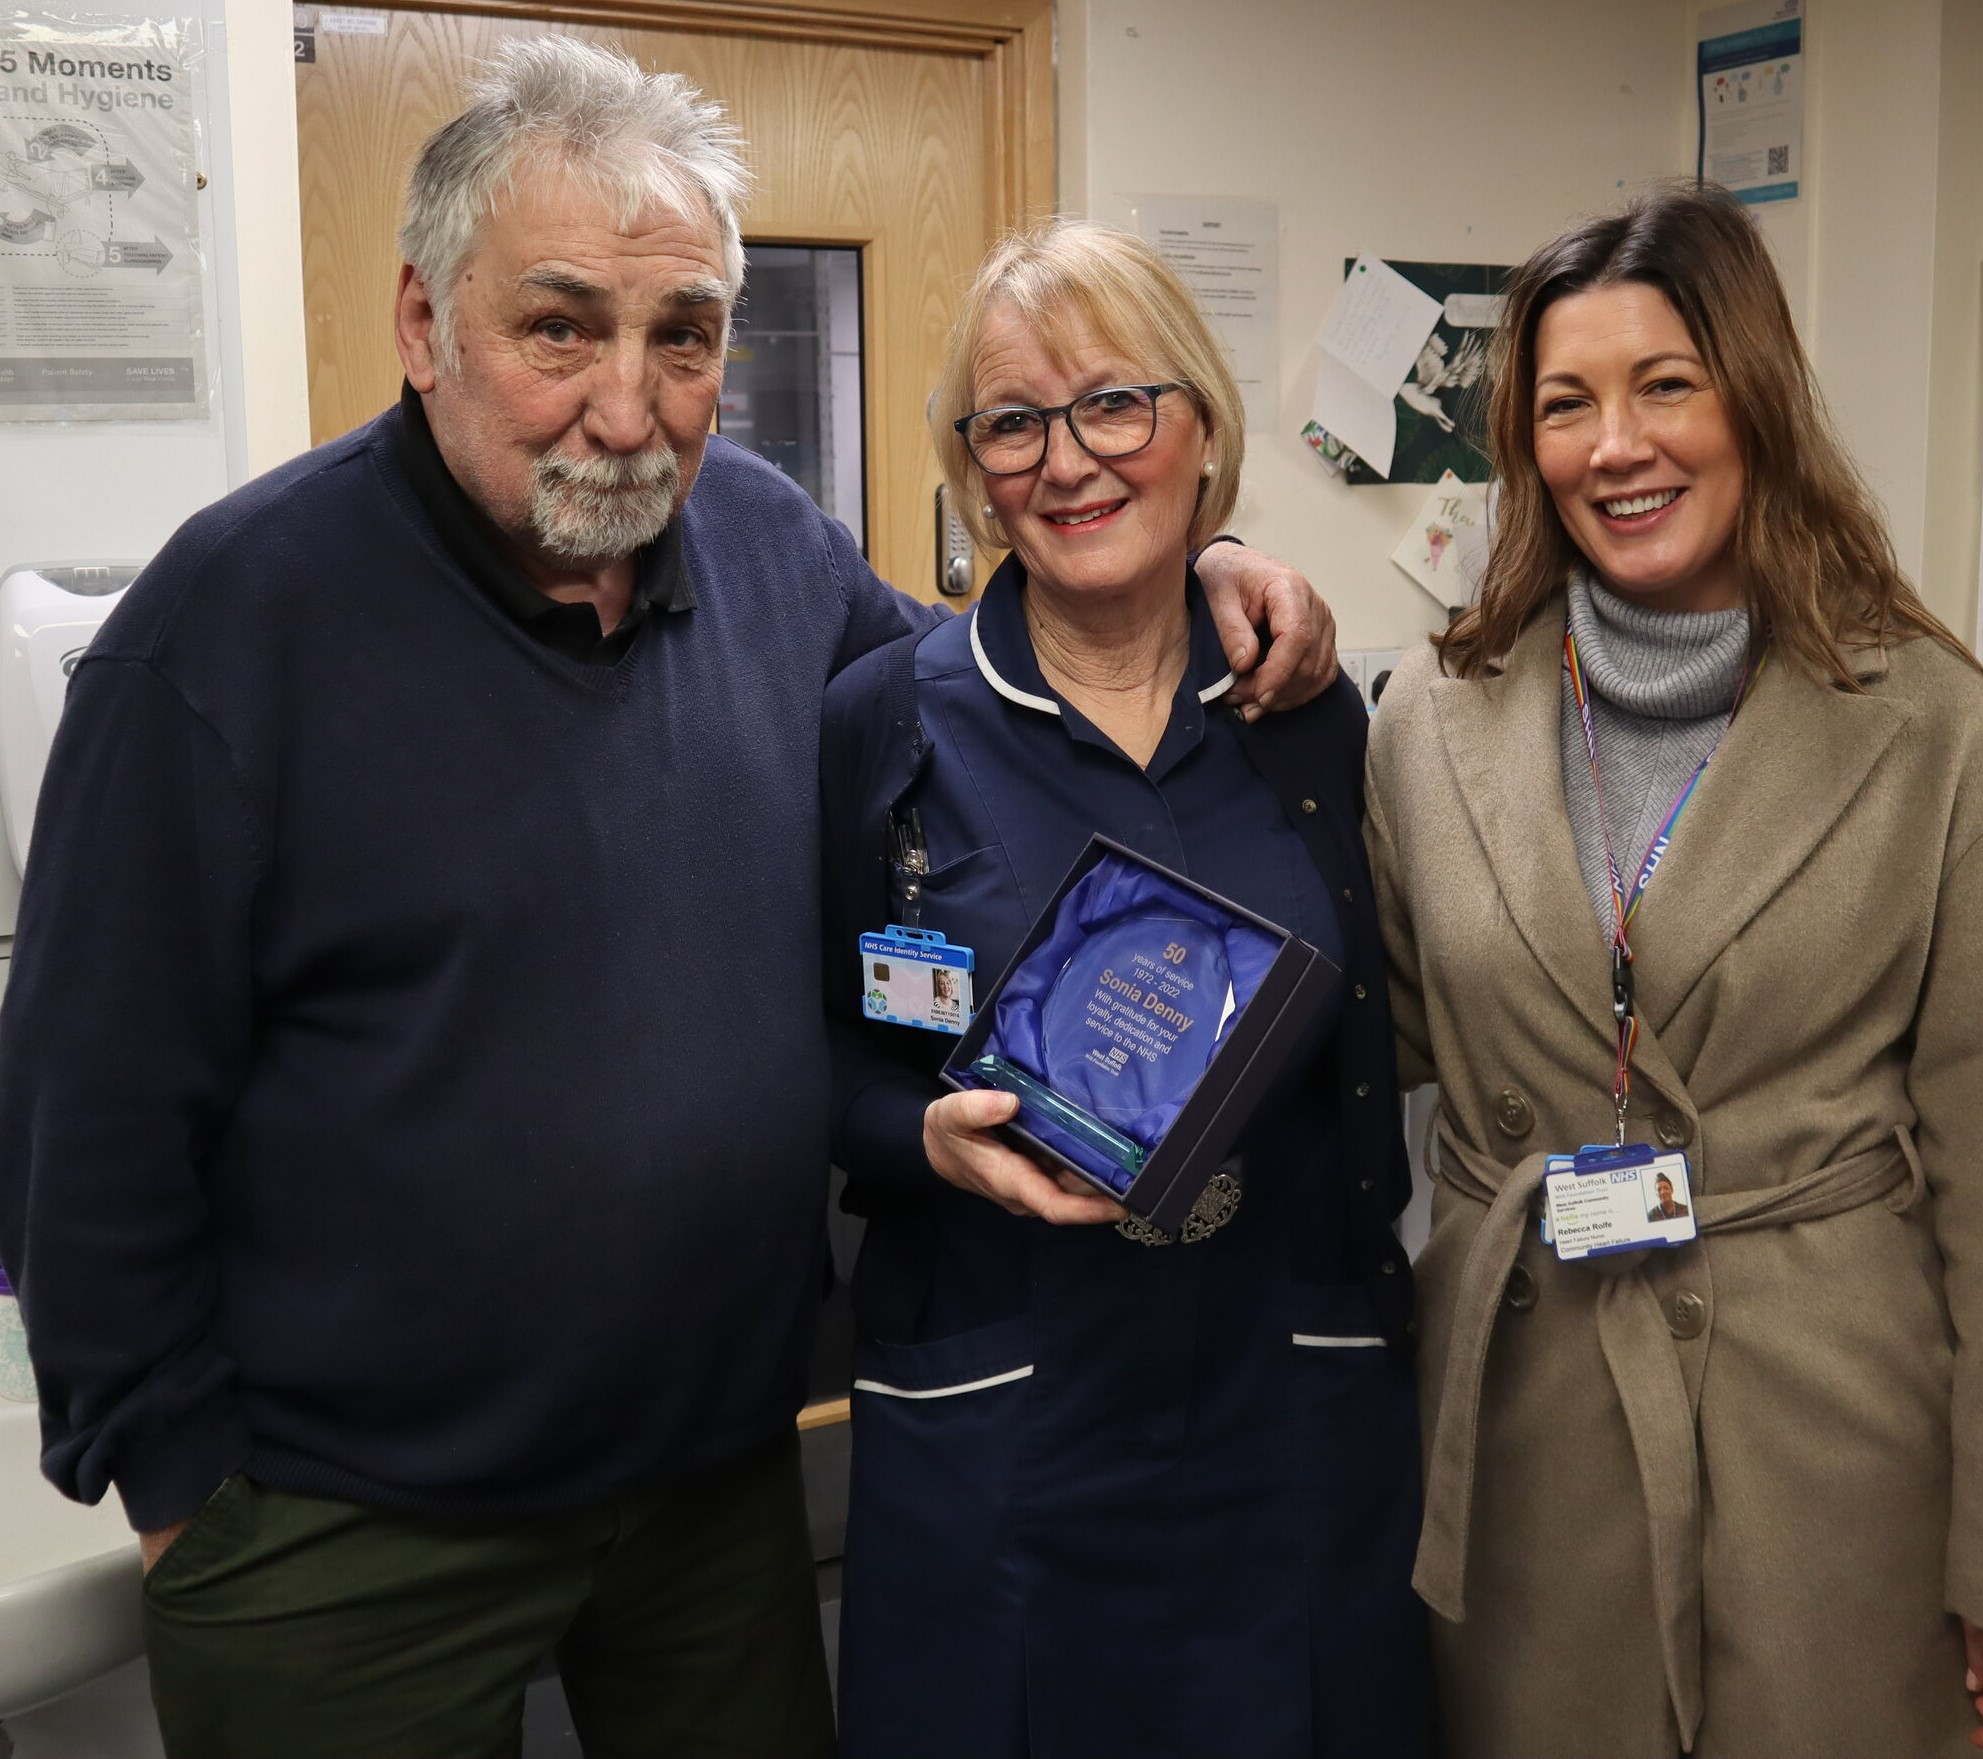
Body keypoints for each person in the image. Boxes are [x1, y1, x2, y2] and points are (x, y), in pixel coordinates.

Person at [0, 39, 1334, 1759]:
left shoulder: (772, 548)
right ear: (423, 327)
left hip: (713, 1493)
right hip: (344, 1530)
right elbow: (81, 1115)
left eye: (683, 335)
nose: (629, 406)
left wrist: (1188, 555)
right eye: (559, 327)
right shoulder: (231, 626)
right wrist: (182, 1485)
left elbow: (999, 696)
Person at [1364, 179, 1983, 1757]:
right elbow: (1379, 1055)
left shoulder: (1939, 738)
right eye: (1564, 404)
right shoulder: (1428, 717)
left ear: (1751, 397)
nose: (1614, 445)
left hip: (1831, 1456)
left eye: (1662, 386)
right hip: (1527, 1439)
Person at [821, 220, 1431, 1759]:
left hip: (1288, 1403)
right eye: (1011, 420)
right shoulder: (886, 720)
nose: (1066, 459)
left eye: (1114, 403)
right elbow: (810, 1058)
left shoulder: (1311, 714)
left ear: (1201, 431)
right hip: (1008, 1414)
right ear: (971, 467)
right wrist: (916, 1142)